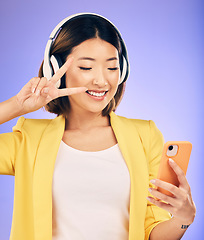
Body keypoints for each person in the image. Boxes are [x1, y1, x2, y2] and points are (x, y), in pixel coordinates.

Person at [0, 13, 196, 240]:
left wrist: (183, 220)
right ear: (55, 70)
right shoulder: (29, 139)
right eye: (86, 67)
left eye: (112, 68)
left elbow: (153, 233)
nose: (102, 81)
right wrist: (17, 105)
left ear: (122, 71)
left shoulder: (145, 136)